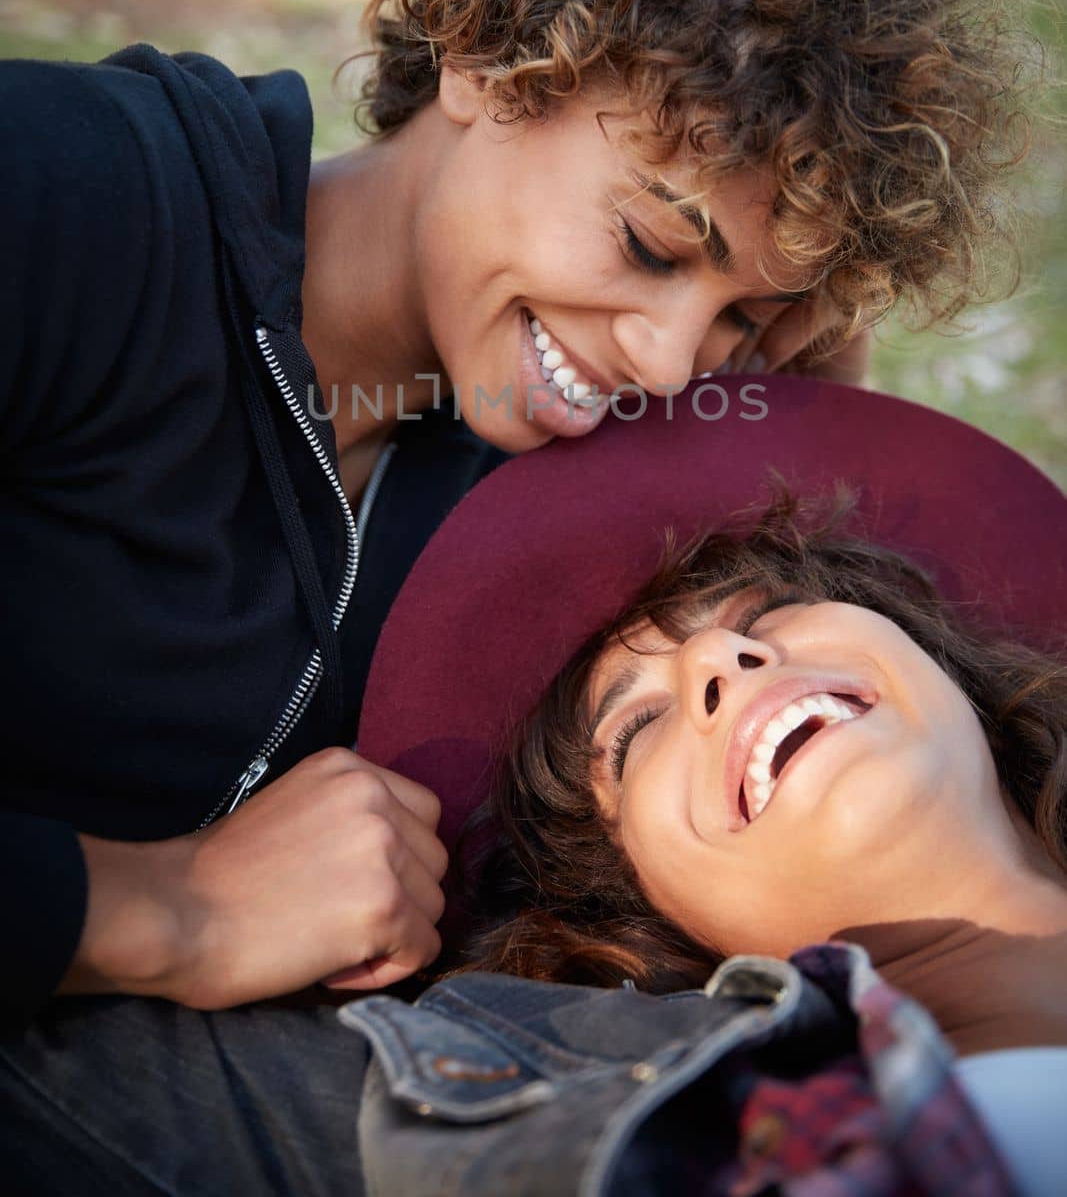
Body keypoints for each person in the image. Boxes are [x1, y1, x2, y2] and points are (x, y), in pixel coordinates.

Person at [0, 0, 1032, 1030]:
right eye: (651, 241)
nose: (664, 363)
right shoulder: (81, 197)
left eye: (740, 318)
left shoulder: (526, 478)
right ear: (489, 54)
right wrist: (159, 912)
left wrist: (791, 397)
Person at [3, 384, 1063, 1195]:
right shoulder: (513, 1120)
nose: (720, 668)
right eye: (636, 728)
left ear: (945, 665)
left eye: (763, 619)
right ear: (637, 936)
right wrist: (169, 909)